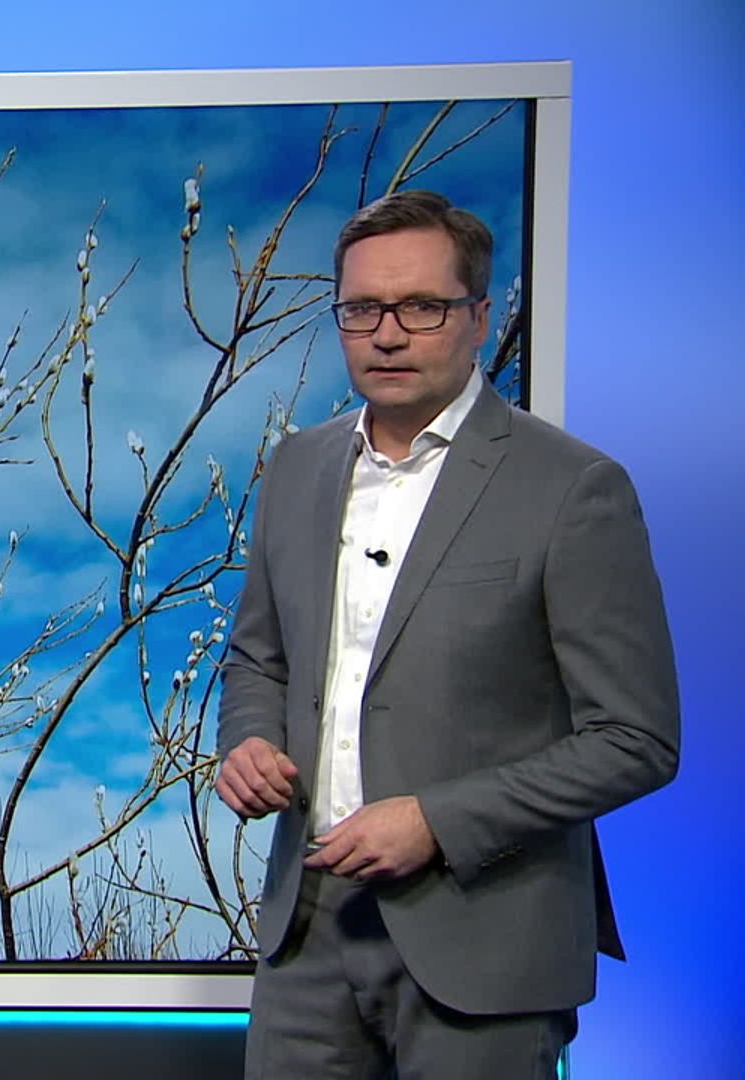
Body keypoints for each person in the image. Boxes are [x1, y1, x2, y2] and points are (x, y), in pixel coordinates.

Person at [214, 189, 679, 1078]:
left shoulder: (572, 487)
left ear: (479, 317)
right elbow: (257, 658)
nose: (388, 334)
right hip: (306, 931)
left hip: (488, 936)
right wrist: (249, 740)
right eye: (362, 309)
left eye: (422, 307)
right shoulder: (297, 467)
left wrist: (436, 820)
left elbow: (636, 740)